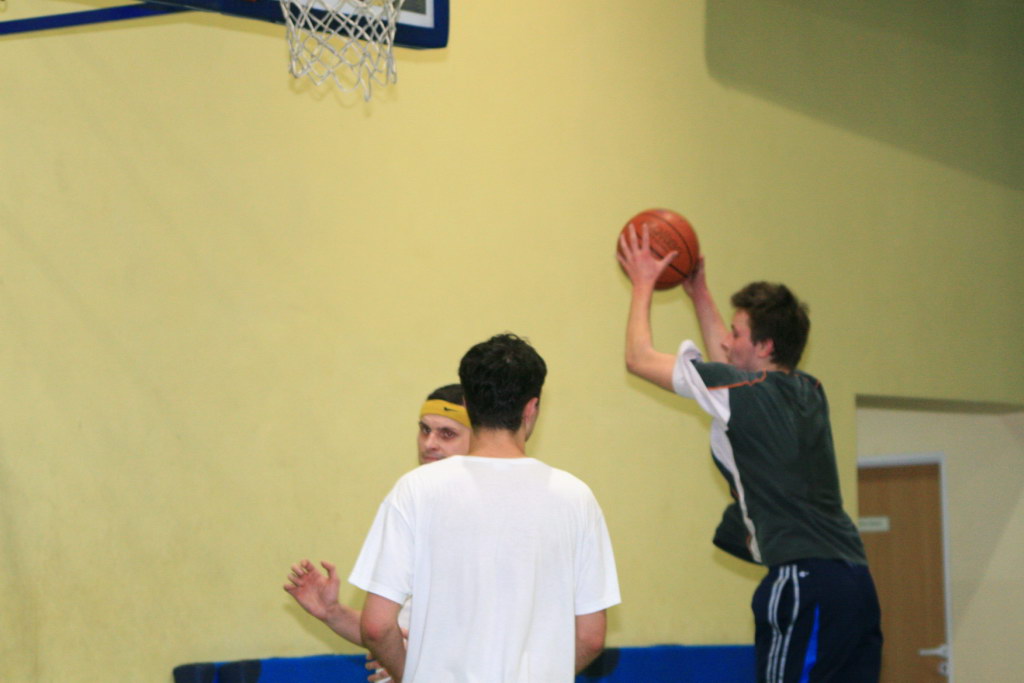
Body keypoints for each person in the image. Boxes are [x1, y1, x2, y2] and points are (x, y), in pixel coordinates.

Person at [618, 225, 882, 682]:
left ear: (765, 346)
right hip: (856, 581)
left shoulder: (741, 390)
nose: (728, 341)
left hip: (802, 580)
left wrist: (643, 283)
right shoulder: (809, 390)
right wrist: (699, 292)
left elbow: (638, 359)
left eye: (738, 333)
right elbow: (730, 360)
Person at [352, 333, 620, 682]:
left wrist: (411, 676)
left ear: (468, 403)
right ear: (531, 409)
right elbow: (591, 637)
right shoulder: (576, 498)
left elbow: (376, 626)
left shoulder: (415, 490)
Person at [283, 385, 472, 660]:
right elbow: (384, 629)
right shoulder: (413, 503)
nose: (429, 443)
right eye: (424, 430)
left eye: (447, 434)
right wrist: (333, 612)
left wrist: (405, 670)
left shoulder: (491, 516)